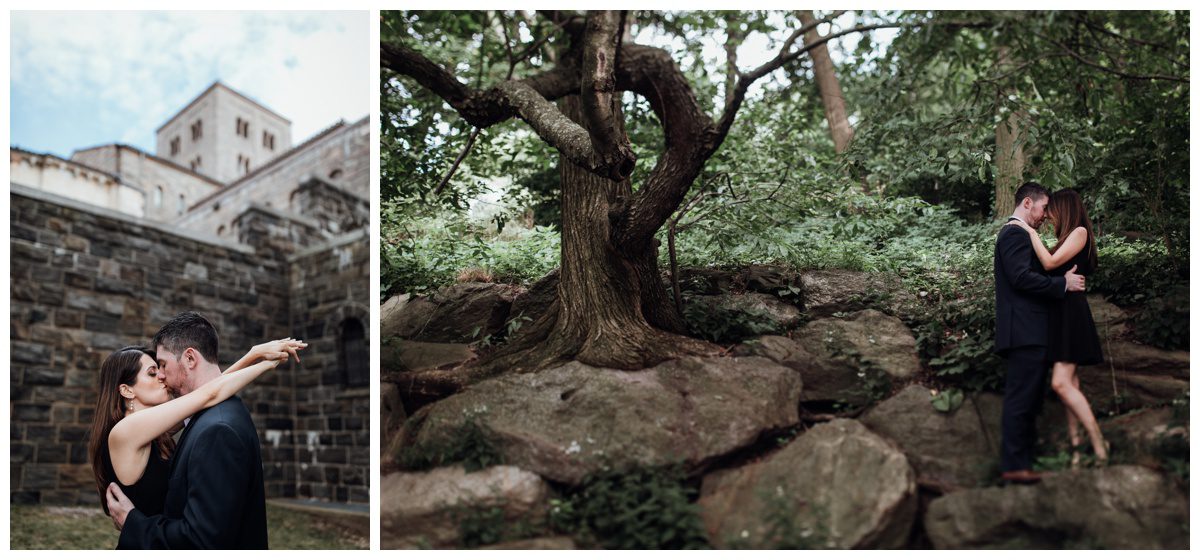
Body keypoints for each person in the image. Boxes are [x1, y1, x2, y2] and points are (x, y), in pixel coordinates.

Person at [105, 312, 297, 548]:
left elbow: (205, 393)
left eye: (160, 367)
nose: (162, 376)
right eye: (153, 373)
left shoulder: (153, 426)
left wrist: (252, 355)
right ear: (126, 390)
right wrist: (266, 364)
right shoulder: (127, 431)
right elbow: (208, 394)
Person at [993, 181, 1087, 484]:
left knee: (1029, 398)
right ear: (1028, 204)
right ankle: (1014, 465)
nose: (1046, 215)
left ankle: (1021, 463)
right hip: (1024, 330)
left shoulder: (1021, 235)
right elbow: (1021, 278)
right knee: (1021, 398)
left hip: (1030, 329)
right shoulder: (1014, 234)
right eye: (1045, 208)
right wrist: (1063, 285)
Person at [1012, 188, 1107, 467]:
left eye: (1052, 211)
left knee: (1060, 383)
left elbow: (1050, 262)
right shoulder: (1065, 238)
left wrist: (1029, 233)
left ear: (1064, 208)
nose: (1048, 216)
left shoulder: (1079, 232)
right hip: (1060, 313)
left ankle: (1100, 442)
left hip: (1071, 314)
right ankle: (1077, 450)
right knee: (1071, 383)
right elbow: (1050, 270)